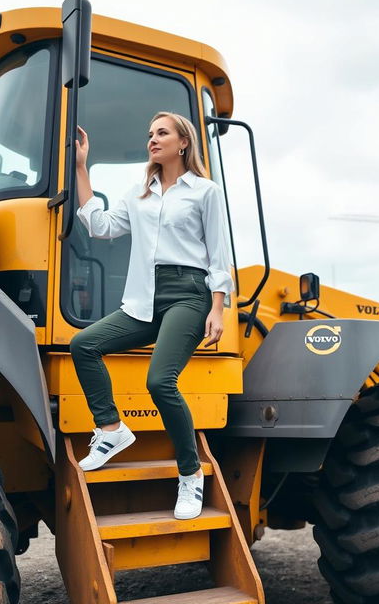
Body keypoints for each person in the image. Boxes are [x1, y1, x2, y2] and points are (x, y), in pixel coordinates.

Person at [70, 111, 234, 519]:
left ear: (183, 143)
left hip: (189, 295)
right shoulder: (138, 195)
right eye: (150, 134)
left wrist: (218, 308)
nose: (152, 140)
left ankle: (190, 475)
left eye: (162, 133)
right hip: (145, 297)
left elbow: (219, 255)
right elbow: (101, 227)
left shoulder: (205, 192)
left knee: (160, 381)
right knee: (84, 344)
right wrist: (80, 167)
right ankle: (111, 430)